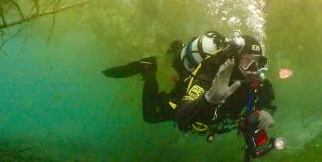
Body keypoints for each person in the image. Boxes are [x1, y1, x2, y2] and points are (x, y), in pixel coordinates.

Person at [102, 31, 275, 137]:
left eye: (258, 62)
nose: (252, 69)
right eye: (246, 61)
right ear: (236, 59)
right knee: (151, 115)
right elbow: (181, 116)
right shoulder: (209, 73)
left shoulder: (255, 80)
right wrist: (209, 99)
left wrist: (267, 112)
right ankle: (148, 68)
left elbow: (267, 100)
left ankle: (177, 50)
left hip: (207, 113)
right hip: (187, 97)